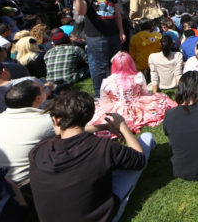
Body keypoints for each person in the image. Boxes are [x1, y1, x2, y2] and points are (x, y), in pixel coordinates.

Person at [29, 91, 155, 222]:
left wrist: (104, 127)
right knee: (147, 138)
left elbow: (70, 131)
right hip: (100, 216)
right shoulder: (104, 147)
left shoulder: (37, 151)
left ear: (56, 120)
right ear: (89, 116)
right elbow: (140, 160)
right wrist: (122, 126)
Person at [69, 0, 126, 97]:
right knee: (99, 67)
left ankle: (115, 92)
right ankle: (100, 95)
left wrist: (121, 31)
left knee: (115, 65)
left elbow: (117, 13)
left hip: (113, 34)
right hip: (96, 36)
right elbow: (81, 12)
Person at [89, 51, 177, 134]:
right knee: (162, 100)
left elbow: (105, 101)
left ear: (114, 65)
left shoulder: (107, 82)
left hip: (116, 110)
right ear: (131, 63)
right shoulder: (138, 76)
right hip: (137, 105)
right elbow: (145, 93)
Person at [0, 81, 54, 186]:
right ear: (38, 99)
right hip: (25, 186)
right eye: (43, 89)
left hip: (3, 186)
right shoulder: (46, 121)